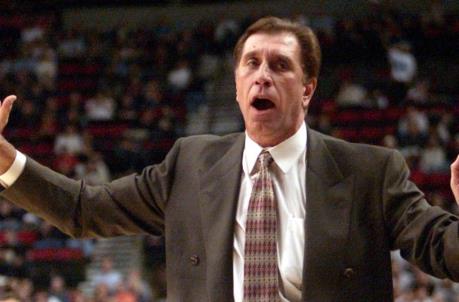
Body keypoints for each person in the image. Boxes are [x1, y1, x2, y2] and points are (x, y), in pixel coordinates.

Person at [0, 17, 458, 302]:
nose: (262, 76)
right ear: (237, 85)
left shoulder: (370, 171)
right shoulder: (189, 163)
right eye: (251, 64)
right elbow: (85, 210)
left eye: (279, 65)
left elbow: (441, 248)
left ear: (308, 88)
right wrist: (5, 157)